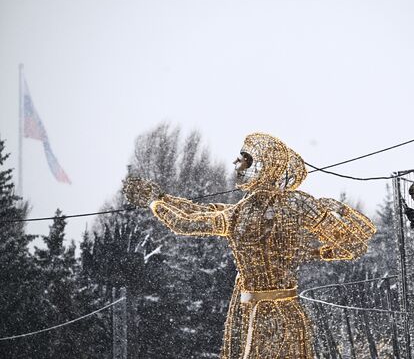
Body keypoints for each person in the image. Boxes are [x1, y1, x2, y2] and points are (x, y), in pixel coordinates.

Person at [122, 132, 376, 359]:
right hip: (284, 312)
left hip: (256, 317)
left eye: (244, 158)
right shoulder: (291, 205)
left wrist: (155, 203)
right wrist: (317, 250)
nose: (236, 164)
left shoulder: (243, 214)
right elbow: (355, 243)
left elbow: (186, 223)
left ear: (263, 165)